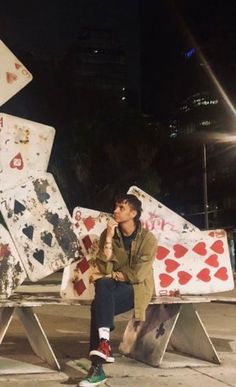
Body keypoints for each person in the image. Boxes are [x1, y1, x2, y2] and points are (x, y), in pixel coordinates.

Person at [79, 194, 157, 387]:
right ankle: (104, 344)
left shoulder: (148, 239)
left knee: (98, 305)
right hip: (114, 285)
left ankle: (97, 368)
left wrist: (118, 275)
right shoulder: (110, 234)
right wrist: (108, 239)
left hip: (137, 289)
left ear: (133, 213)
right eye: (116, 207)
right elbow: (104, 269)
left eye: (121, 208)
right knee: (102, 286)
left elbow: (138, 275)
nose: (115, 211)